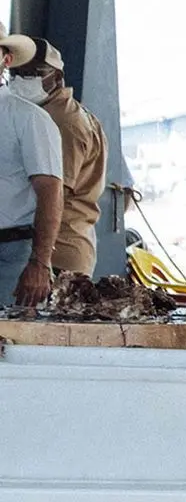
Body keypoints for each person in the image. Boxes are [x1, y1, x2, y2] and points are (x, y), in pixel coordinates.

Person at [1, 36, 104, 277]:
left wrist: (40, 260)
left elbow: (53, 192)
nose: (22, 79)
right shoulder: (62, 114)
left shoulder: (62, 122)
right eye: (17, 72)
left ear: (56, 77)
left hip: (59, 248)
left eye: (33, 73)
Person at [0, 41, 62, 305]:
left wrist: (40, 262)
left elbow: (50, 190)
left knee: (8, 336)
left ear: (6, 60)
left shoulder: (28, 117)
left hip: (11, 252)